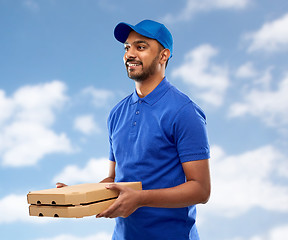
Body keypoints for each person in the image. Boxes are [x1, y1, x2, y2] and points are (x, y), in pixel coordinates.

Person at [58, 19, 210, 239]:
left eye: (141, 47)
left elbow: (201, 190)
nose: (130, 54)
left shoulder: (184, 111)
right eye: (127, 48)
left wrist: (140, 198)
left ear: (163, 55)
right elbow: (114, 180)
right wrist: (77, 196)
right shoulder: (116, 113)